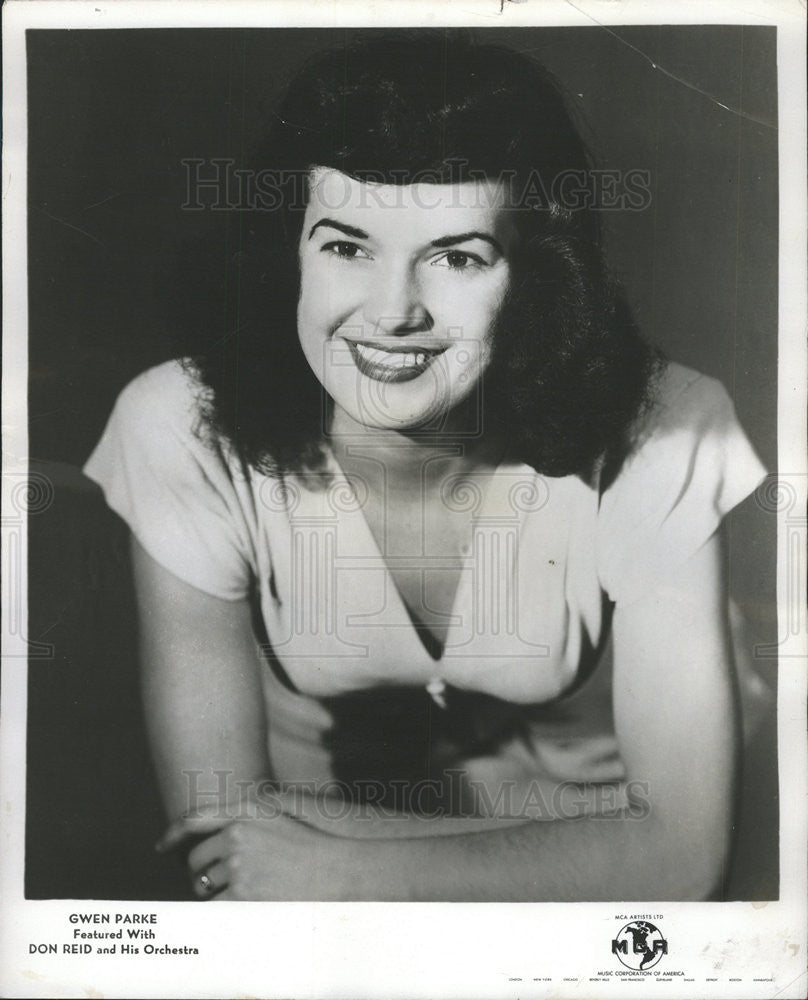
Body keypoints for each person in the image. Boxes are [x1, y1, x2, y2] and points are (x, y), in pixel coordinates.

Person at [83, 31, 767, 901]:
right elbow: (220, 839)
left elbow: (683, 864)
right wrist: (595, 834)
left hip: (347, 859)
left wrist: (344, 861)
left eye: (456, 257)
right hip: (374, 884)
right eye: (345, 247)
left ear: (538, 278)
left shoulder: (667, 426)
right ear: (285, 254)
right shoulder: (179, 426)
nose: (393, 312)